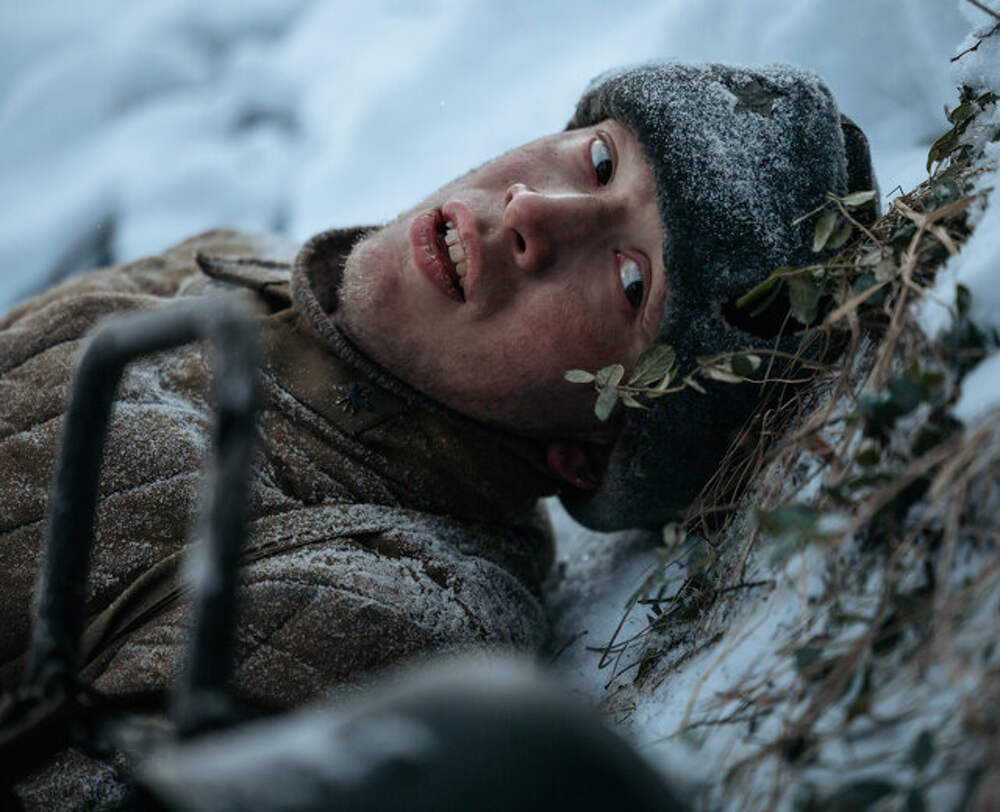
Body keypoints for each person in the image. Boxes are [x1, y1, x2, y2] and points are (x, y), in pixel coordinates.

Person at [0, 61, 874, 801]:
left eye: (631, 284)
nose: (534, 210)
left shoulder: (385, 599)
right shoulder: (219, 264)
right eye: (600, 161)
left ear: (589, 453)